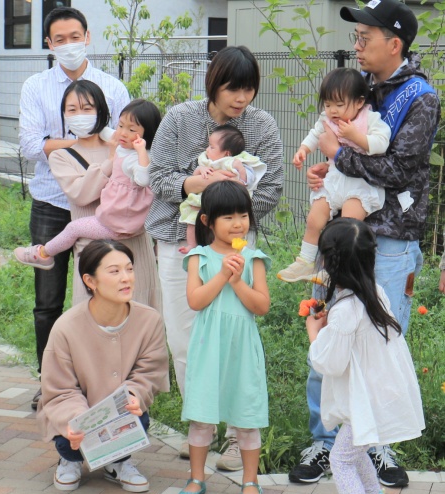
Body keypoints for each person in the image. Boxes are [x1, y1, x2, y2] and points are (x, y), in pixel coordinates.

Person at [291, 0, 439, 487]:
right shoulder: (358, 88)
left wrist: (338, 155)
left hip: (391, 240)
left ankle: (375, 445)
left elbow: (399, 170)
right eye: (356, 37)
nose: (356, 45)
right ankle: (325, 440)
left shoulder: (419, 98)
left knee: (381, 343)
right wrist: (328, 168)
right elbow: (346, 154)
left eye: (365, 37)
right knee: (328, 328)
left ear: (394, 44)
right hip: (343, 236)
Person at [147, 45, 283, 470]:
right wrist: (197, 184)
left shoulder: (262, 125)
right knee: (185, 338)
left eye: (249, 89)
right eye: (232, 89)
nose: (241, 98)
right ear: (213, 84)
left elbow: (272, 188)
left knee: (235, 339)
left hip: (236, 247)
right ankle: (200, 428)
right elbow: (157, 176)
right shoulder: (179, 118)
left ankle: (236, 436)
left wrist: (227, 212)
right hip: (180, 241)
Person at [19, 7, 131, 409]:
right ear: (49, 44)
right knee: (47, 301)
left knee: (104, 295)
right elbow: (30, 145)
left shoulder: (112, 87)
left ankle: (101, 382)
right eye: (60, 39)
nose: (69, 45)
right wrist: (87, 143)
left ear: (87, 37)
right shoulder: (36, 86)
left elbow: (127, 140)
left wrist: (61, 143)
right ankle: (51, 382)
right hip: (51, 201)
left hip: (103, 207)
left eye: (75, 37)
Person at [307, 219, 424, 494]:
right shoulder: (375, 293)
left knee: (341, 459)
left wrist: (314, 332)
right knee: (356, 451)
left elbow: (330, 362)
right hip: (379, 393)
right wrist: (332, 326)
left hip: (366, 401)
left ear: (329, 263)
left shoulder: (345, 310)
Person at [37, 240, 169, 493]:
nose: (126, 278)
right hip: (77, 413)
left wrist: (134, 394)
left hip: (121, 412)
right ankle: (69, 460)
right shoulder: (66, 326)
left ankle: (117, 461)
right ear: (90, 281)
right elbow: (59, 389)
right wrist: (79, 420)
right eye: (114, 271)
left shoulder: (149, 320)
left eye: (129, 269)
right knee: (69, 441)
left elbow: (150, 371)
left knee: (137, 417)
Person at [176, 181, 270, 494]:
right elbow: (196, 301)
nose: (238, 223)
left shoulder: (254, 258)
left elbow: (261, 306)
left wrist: (237, 281)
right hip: (208, 347)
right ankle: (196, 478)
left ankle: (250, 482)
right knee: (202, 415)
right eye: (228, 217)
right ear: (207, 221)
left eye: (243, 215)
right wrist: (221, 275)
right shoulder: (198, 257)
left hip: (242, 348)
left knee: (246, 415)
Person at [14, 97, 156, 270]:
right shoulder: (124, 144)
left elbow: (143, 179)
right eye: (120, 125)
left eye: (131, 129)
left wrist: (141, 152)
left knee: (74, 228)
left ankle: (43, 254)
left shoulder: (134, 158)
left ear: (146, 134)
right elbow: (106, 132)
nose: (123, 133)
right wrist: (93, 123)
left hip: (116, 224)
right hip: (123, 221)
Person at [279, 68, 391, 283]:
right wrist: (303, 150)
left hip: (360, 185)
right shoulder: (327, 119)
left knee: (347, 227)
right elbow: (315, 134)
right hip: (334, 179)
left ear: (359, 102)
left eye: (339, 105)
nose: (333, 111)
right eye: (328, 104)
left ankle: (335, 270)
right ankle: (305, 261)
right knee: (314, 218)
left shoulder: (370, 119)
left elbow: (381, 143)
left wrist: (355, 136)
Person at [178, 125, 266, 254]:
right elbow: (195, 176)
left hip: (225, 203)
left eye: (212, 147)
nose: (207, 149)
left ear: (227, 153)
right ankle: (192, 244)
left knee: (225, 226)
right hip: (202, 200)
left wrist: (241, 176)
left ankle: (228, 247)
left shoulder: (235, 161)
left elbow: (249, 178)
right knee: (192, 221)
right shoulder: (207, 162)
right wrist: (201, 170)